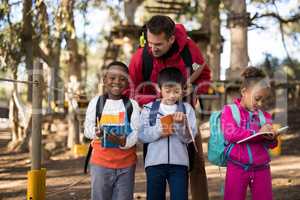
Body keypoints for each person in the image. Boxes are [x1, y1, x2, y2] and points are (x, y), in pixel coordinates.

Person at [129, 15, 210, 199]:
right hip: (153, 115)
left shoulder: (189, 50)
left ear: (171, 39)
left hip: (185, 113)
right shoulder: (141, 57)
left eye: (157, 44)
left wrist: (194, 88)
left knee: (196, 164)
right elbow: (131, 91)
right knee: (154, 171)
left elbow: (205, 75)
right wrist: (159, 99)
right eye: (149, 43)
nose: (152, 48)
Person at [84, 61, 140, 200]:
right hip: (101, 164)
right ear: (104, 80)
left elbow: (136, 133)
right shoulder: (96, 102)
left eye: (122, 79)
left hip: (126, 166)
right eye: (112, 78)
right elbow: (87, 129)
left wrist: (122, 141)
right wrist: (97, 133)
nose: (117, 82)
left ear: (127, 82)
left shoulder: (132, 105)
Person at [139, 67, 197, 200]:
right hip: (154, 164)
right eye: (168, 91)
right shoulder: (149, 109)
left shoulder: (187, 109)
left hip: (179, 164)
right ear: (159, 89)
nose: (172, 95)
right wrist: (160, 131)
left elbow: (189, 139)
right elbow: (141, 135)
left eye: (176, 91)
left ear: (182, 89)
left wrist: (180, 125)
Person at [221, 67, 278, 200]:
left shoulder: (265, 117)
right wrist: (257, 132)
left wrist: (272, 138)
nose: (260, 104)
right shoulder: (229, 111)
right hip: (237, 167)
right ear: (244, 92)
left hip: (262, 169)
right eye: (257, 99)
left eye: (263, 100)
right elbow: (231, 134)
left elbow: (272, 145)